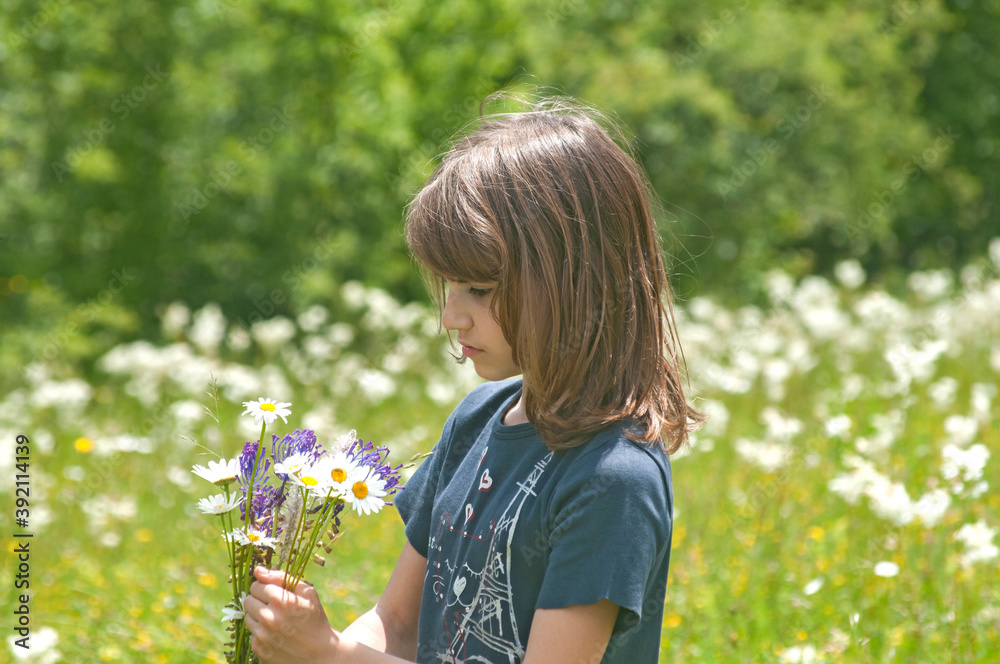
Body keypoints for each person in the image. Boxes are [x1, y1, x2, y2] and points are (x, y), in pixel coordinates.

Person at [242, 94, 702, 664]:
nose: (451, 316)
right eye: (448, 286)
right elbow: (398, 623)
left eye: (478, 289)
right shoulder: (477, 419)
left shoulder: (612, 479)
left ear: (571, 278)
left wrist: (331, 657)